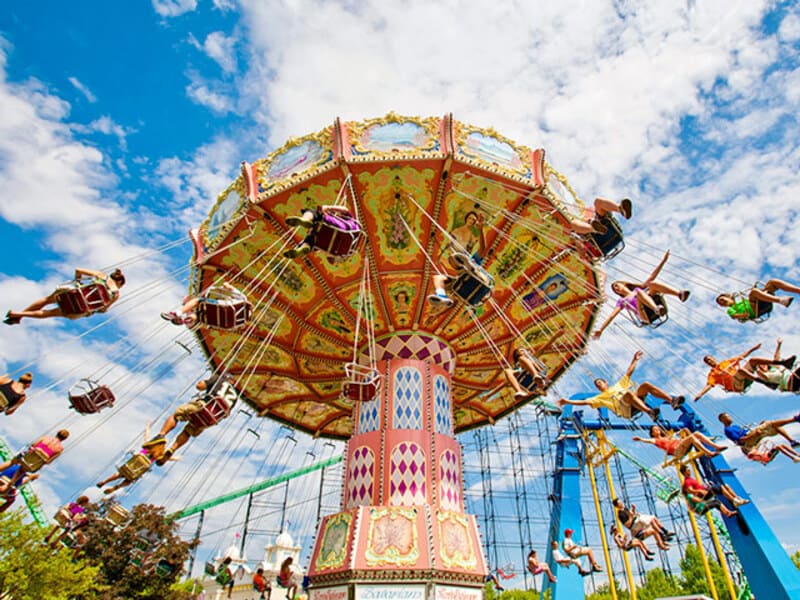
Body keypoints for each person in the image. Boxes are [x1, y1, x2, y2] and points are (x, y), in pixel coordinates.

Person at [558, 351, 684, 420]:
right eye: (597, 385)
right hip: (625, 410)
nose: (599, 385)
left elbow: (629, 372)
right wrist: (567, 401)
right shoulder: (599, 398)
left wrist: (635, 359)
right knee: (628, 394)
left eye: (600, 382)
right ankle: (649, 412)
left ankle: (672, 401)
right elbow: (584, 402)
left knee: (645, 385)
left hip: (633, 401)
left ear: (606, 383)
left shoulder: (618, 386)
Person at [592, 250, 689, 337]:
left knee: (651, 284)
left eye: (617, 286)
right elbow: (612, 316)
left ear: (624, 284)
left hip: (647, 302)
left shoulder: (638, 289)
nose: (616, 289)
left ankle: (679, 294)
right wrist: (601, 329)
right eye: (614, 289)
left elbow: (652, 276)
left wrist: (663, 261)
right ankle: (656, 309)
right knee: (639, 293)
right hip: (643, 314)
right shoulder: (622, 301)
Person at [146, 372, 234, 466]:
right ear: (232, 382)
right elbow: (226, 414)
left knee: (177, 415)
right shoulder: (235, 396)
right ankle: (173, 449)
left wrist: (204, 382)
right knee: (189, 431)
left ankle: (161, 436)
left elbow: (200, 386)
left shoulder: (219, 379)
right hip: (210, 420)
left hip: (203, 406)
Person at [4, 268, 125, 325]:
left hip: (72, 292)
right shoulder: (116, 294)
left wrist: (78, 283)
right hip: (80, 307)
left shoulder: (102, 275)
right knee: (49, 313)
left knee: (46, 300)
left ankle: (19, 315)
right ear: (119, 283)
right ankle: (18, 315)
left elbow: (78, 270)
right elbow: (103, 309)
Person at [96, 423, 179, 494]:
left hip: (131, 465)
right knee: (129, 480)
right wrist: (176, 458)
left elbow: (146, 436)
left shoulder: (147, 448)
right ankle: (119, 486)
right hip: (136, 471)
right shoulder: (158, 455)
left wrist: (147, 427)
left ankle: (104, 481)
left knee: (119, 474)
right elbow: (168, 458)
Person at [428, 212, 490, 307]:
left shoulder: (474, 260)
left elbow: (483, 249)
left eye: (473, 220)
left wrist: (481, 230)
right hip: (465, 283)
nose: (471, 221)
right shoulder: (459, 278)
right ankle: (441, 296)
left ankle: (470, 269)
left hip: (478, 279)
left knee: (465, 261)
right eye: (470, 218)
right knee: (438, 278)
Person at [693, 344, 779, 401]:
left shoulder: (725, 362)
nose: (710, 361)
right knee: (740, 371)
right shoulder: (712, 374)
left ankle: (780, 363)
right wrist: (700, 394)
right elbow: (709, 386)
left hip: (744, 377)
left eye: (710, 359)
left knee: (752, 360)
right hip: (736, 385)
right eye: (707, 361)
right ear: (707, 364)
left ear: (714, 358)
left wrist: (753, 349)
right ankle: (766, 383)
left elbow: (741, 357)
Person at [718, 412, 800, 464]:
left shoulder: (735, 426)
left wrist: (757, 429)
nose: (730, 418)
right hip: (748, 442)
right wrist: (754, 435)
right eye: (727, 417)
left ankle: (792, 441)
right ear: (722, 420)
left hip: (753, 437)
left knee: (774, 426)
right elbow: (740, 440)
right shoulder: (727, 430)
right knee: (769, 423)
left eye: (729, 416)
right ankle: (795, 419)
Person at [284, 205, 362, 259]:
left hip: (338, 228)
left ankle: (306, 219)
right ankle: (305, 247)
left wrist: (328, 207)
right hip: (336, 247)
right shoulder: (354, 234)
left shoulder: (349, 220)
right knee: (312, 241)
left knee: (314, 212)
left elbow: (344, 209)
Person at [504, 329, 563, 399]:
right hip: (524, 376)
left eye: (523, 350)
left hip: (538, 371)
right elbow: (506, 381)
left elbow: (544, 348)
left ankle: (536, 375)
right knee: (507, 370)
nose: (523, 352)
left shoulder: (531, 357)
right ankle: (519, 391)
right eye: (520, 351)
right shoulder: (518, 365)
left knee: (522, 359)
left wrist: (555, 337)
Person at [161, 282, 249, 327]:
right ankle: (188, 318)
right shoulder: (243, 300)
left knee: (197, 300)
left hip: (226, 309)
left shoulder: (242, 298)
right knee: (199, 314)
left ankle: (177, 313)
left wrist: (226, 284)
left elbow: (228, 287)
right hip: (230, 322)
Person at [716, 279, 800, 322]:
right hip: (754, 311)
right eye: (721, 303)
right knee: (753, 292)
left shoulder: (740, 300)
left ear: (728, 297)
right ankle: (781, 301)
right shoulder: (731, 309)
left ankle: (798, 291)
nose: (722, 302)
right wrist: (742, 315)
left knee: (772, 282)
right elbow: (734, 316)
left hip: (761, 303)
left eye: (722, 299)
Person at [633, 425, 726, 461]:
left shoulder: (667, 437)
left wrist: (682, 433)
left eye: (658, 429)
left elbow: (677, 436)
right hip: (677, 451)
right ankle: (709, 453)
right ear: (652, 433)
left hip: (680, 446)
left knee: (696, 433)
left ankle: (716, 446)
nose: (657, 430)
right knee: (693, 437)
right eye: (655, 430)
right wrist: (641, 439)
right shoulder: (656, 440)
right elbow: (648, 441)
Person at [679, 464, 748, 510]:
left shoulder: (691, 479)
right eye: (688, 470)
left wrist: (705, 486)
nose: (690, 471)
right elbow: (690, 490)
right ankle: (734, 501)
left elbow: (698, 487)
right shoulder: (687, 481)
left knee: (725, 486)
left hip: (706, 491)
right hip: (703, 496)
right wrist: (700, 491)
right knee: (719, 487)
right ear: (685, 472)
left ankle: (737, 498)